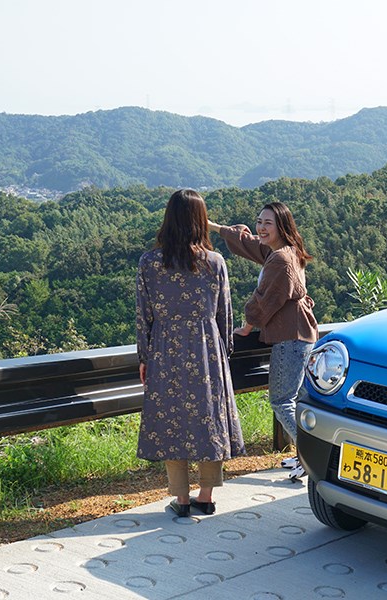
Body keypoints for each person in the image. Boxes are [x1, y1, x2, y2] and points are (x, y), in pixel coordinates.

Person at [136, 189, 245, 517]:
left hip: (165, 349)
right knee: (208, 418)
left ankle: (181, 500)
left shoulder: (150, 263)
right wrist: (224, 352)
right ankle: (206, 496)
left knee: (172, 419)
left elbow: (144, 315)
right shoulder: (215, 262)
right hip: (206, 349)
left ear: (168, 219)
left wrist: (144, 357)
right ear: (201, 220)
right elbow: (224, 314)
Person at [209, 202, 317, 481]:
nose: (261, 227)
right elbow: (248, 243)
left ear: (282, 226)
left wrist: (246, 327)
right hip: (297, 334)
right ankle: (304, 456)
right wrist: (214, 227)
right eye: (259, 221)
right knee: (293, 399)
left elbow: (264, 300)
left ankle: (312, 457)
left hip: (291, 337)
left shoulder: (280, 259)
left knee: (282, 401)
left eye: (268, 223)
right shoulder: (281, 251)